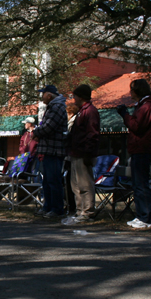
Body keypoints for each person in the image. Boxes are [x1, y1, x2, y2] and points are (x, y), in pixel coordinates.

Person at [116, 78, 151, 229]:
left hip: (142, 149)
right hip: (139, 149)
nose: (130, 93)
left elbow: (136, 126)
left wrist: (125, 115)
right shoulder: (143, 106)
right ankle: (142, 215)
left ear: (138, 91)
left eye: (132, 90)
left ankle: (146, 218)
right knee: (138, 184)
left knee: (141, 184)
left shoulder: (146, 107)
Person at [62, 84, 100, 226]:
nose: (73, 99)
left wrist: (88, 153)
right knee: (75, 185)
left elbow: (92, 134)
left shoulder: (90, 112)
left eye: (75, 96)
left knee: (85, 184)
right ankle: (80, 210)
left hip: (83, 153)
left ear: (81, 97)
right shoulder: (81, 112)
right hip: (75, 152)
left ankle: (88, 211)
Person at [31, 84, 67, 218]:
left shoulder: (57, 108)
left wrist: (36, 132)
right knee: (46, 181)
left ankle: (57, 209)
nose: (41, 97)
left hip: (54, 150)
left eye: (43, 94)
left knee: (53, 180)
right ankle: (48, 207)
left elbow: (48, 127)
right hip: (48, 149)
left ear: (49, 95)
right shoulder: (52, 107)